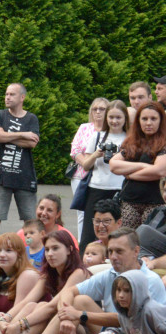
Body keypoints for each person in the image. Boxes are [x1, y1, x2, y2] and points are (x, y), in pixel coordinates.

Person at [21, 227, 166, 334]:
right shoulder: (111, 273)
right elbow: (70, 291)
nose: (113, 257)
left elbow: (125, 319)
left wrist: (79, 315)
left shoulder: (149, 281)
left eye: (119, 251)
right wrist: (66, 316)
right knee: (78, 302)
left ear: (136, 251)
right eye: (110, 251)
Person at [0, 231, 90, 334]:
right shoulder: (48, 274)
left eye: (55, 248)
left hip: (80, 331)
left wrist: (19, 325)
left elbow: (52, 307)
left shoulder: (79, 273)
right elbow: (27, 301)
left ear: (69, 250)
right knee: (33, 305)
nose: (50, 253)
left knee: (46, 307)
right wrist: (5, 320)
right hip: (58, 330)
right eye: (47, 249)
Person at [0, 83, 39, 251]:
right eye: (6, 94)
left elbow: (32, 143)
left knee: (30, 221)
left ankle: (32, 253)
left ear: (22, 97)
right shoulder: (0, 115)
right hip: (1, 176)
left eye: (12, 94)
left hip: (25, 176)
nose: (7, 97)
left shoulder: (31, 119)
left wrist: (6, 136)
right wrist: (22, 134)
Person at [78, 99, 127, 250]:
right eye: (111, 117)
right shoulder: (98, 137)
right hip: (96, 188)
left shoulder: (129, 139)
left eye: (118, 117)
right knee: (89, 234)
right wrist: (96, 154)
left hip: (119, 190)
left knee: (117, 233)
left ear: (125, 118)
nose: (114, 121)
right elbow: (85, 165)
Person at [109, 100, 166, 229]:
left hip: (155, 202)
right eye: (144, 119)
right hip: (129, 200)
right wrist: (143, 166)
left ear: (161, 121)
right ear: (138, 121)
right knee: (126, 240)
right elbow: (113, 165)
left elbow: (159, 171)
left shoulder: (164, 143)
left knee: (147, 242)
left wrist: (128, 174)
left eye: (153, 118)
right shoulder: (132, 141)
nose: (149, 123)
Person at [68, 97, 108, 235]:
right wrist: (87, 162)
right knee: (82, 211)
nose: (98, 112)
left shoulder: (111, 131)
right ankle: (81, 243)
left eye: (102, 109)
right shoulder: (84, 127)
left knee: (102, 211)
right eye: (95, 109)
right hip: (81, 175)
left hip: (103, 176)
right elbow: (75, 150)